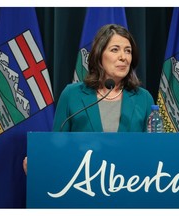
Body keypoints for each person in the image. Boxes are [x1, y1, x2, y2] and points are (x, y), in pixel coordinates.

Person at [23, 24, 154, 173]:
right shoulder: (72, 94)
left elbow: (153, 150)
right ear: (99, 56)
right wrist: (40, 166)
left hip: (130, 183)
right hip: (82, 185)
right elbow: (57, 146)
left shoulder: (143, 98)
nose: (123, 57)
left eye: (128, 51)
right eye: (115, 49)